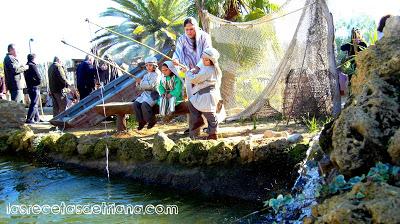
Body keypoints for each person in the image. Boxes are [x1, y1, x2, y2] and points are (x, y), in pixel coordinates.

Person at [188, 48, 223, 140]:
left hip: (208, 95)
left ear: (212, 61)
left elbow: (195, 79)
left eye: (206, 59)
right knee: (191, 103)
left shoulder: (208, 70)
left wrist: (187, 72)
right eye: (202, 58)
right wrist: (192, 71)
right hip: (207, 94)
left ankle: (213, 134)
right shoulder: (210, 68)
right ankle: (199, 120)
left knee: (210, 115)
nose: (203, 61)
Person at [133, 56, 161, 130]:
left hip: (154, 94)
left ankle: (152, 120)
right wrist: (138, 84)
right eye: (147, 65)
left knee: (144, 105)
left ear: (154, 65)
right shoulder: (146, 75)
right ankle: (141, 121)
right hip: (145, 94)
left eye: (150, 65)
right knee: (136, 104)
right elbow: (141, 88)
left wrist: (141, 82)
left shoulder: (157, 74)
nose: (148, 67)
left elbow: (151, 86)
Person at [24, 54, 42, 123]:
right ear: (33, 59)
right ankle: (29, 118)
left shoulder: (27, 65)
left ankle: (37, 118)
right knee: (34, 103)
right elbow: (38, 76)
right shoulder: (32, 65)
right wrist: (38, 82)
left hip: (29, 86)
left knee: (34, 103)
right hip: (34, 86)